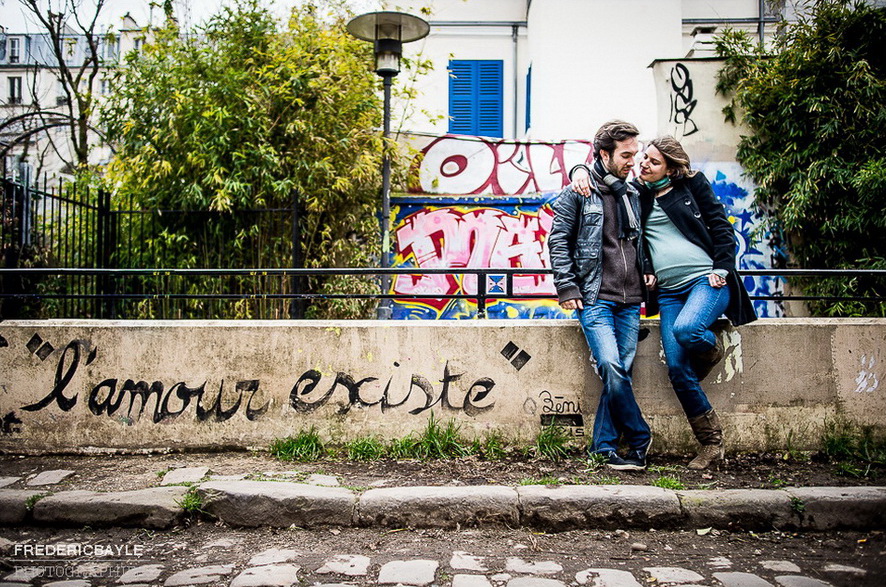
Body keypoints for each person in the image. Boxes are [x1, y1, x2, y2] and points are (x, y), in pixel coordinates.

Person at [573, 135, 757, 469]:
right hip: (670, 291)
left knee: (688, 330)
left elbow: (721, 228)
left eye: (653, 162)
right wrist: (578, 170)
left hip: (706, 281)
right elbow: (606, 177)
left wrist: (723, 269)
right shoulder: (637, 194)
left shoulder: (693, 186)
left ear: (670, 169)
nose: (643, 164)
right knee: (678, 369)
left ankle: (711, 346)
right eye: (643, 159)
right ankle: (711, 444)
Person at [548, 120, 653, 471]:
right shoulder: (579, 192)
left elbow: (642, 242)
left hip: (630, 299)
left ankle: (603, 447)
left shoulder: (633, 194)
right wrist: (567, 285)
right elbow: (558, 240)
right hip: (594, 296)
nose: (632, 162)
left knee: (619, 370)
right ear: (604, 154)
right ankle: (639, 434)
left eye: (635, 154)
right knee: (610, 364)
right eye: (626, 155)